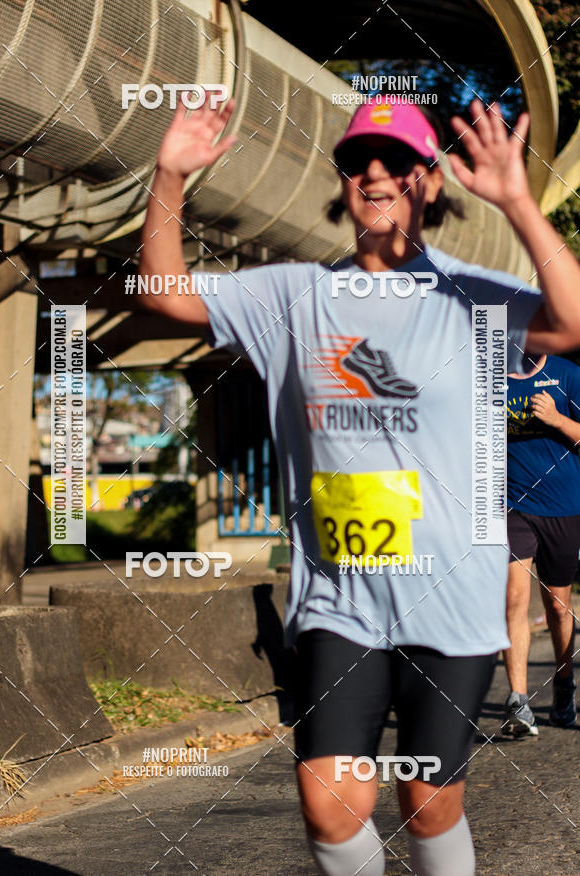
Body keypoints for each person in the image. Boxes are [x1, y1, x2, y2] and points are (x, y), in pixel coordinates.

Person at [138, 93, 580, 876]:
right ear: (342, 183)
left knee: (427, 802)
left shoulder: (470, 296)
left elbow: (575, 326)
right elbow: (168, 297)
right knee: (331, 803)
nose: (375, 174)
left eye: (399, 162)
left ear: (431, 183)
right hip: (339, 597)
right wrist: (169, 176)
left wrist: (517, 200)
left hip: (449, 593)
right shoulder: (291, 295)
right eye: (357, 162)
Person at [502, 353, 580, 737]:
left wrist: (556, 418)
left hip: (564, 507)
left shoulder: (567, 375)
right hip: (512, 505)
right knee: (514, 599)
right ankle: (518, 700)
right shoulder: (487, 379)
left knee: (557, 606)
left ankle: (564, 686)